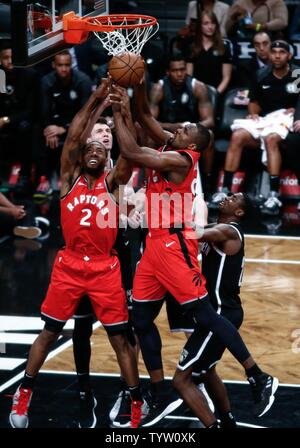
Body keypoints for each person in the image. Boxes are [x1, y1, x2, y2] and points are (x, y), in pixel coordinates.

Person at [110, 79, 278, 427]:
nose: (179, 128)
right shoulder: (175, 145)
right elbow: (146, 116)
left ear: (192, 144)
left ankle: (257, 375)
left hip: (174, 245)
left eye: (185, 128)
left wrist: (116, 110)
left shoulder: (181, 159)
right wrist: (137, 87)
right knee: (140, 320)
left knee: (204, 313)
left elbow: (132, 152)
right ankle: (158, 390)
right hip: (154, 246)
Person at [9, 80, 145, 429]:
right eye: (90, 148)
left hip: (104, 269)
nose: (96, 149)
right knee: (49, 333)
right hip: (69, 266)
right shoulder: (70, 179)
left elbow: (129, 153)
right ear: (81, 157)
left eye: (102, 147)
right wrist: (97, 96)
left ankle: (135, 403)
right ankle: (24, 393)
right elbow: (72, 136)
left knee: (120, 340)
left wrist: (121, 109)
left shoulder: (113, 182)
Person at [173, 192, 252, 428]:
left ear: (239, 212)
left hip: (220, 312)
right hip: (222, 310)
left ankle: (213, 426)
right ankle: (228, 421)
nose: (228, 196)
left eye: (234, 198)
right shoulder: (219, 227)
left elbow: (191, 233)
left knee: (181, 380)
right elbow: (195, 227)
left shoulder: (229, 230)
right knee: (207, 370)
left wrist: (163, 219)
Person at [211, 40, 300, 216]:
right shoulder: (260, 74)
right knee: (238, 136)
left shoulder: (297, 73)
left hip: (288, 121)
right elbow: (253, 102)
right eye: (274, 51)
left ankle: (273, 196)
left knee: (271, 138)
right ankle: (225, 189)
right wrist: (252, 113)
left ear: (289, 56)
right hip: (266, 120)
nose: (277, 55)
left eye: (281, 52)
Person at [149, 54, 215, 198]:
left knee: (209, 135)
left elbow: (209, 120)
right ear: (168, 72)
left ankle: (208, 183)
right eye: (175, 70)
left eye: (182, 69)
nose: (179, 74)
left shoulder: (198, 87)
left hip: (190, 132)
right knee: (147, 133)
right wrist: (174, 127)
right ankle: (147, 179)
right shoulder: (158, 88)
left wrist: (192, 128)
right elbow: (150, 120)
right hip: (167, 129)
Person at [34, 50, 92, 198]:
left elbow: (85, 114)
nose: (64, 69)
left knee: (83, 133)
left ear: (71, 64)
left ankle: (72, 177)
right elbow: (43, 111)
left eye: (67, 65)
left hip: (76, 123)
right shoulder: (46, 81)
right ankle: (44, 178)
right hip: (54, 123)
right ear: (54, 65)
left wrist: (64, 129)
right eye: (60, 65)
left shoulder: (83, 81)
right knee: (37, 131)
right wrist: (49, 129)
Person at [187, 11, 233, 95]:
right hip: (196, 92)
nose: (210, 27)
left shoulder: (224, 47)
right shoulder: (192, 47)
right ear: (200, 26)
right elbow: (189, 76)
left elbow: (226, 77)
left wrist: (215, 94)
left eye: (213, 23)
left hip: (217, 92)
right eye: (206, 23)